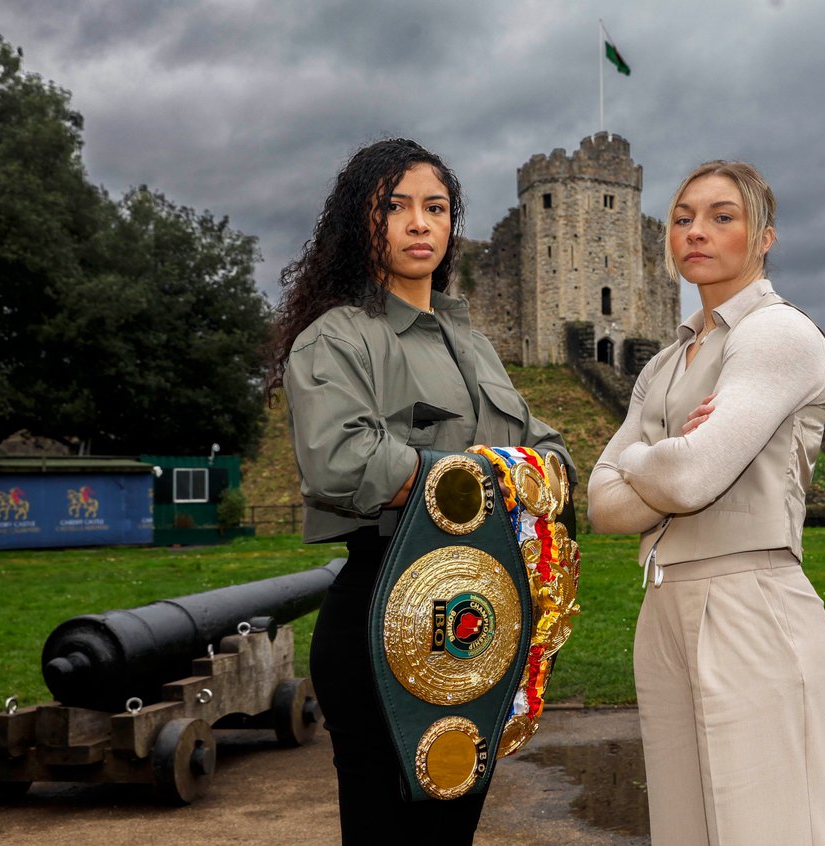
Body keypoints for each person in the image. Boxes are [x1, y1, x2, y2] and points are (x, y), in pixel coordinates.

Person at [267, 138, 574, 845]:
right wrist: (493, 473)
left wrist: (476, 471)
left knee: (451, 832)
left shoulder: (476, 345)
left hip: (479, 619)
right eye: (395, 207)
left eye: (435, 207)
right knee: (386, 831)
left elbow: (554, 456)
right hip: (383, 606)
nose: (418, 223)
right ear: (361, 224)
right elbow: (342, 463)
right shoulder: (335, 339)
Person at [587, 161, 825, 845]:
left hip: (750, 598)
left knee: (770, 829)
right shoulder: (664, 363)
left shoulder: (777, 333)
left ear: (764, 237)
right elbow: (600, 504)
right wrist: (672, 456)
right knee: (685, 830)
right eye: (682, 218)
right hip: (665, 603)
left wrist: (645, 459)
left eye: (721, 216)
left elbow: (687, 481)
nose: (696, 232)